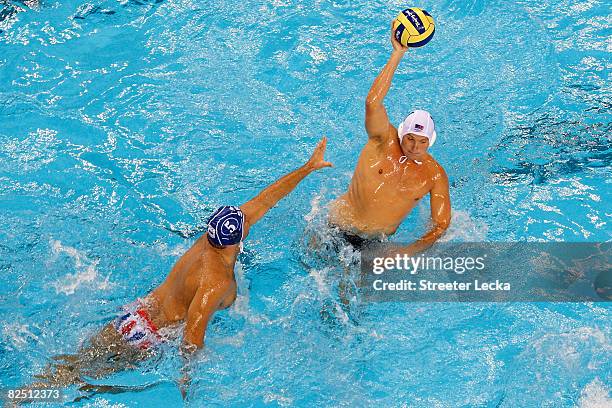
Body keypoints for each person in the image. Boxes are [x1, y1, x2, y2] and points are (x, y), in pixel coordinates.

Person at [28, 137, 332, 398]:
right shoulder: (217, 281)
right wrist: (188, 380)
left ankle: (25, 393)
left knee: (72, 362)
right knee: (87, 384)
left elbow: (266, 199)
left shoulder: (206, 241)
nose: (249, 220)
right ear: (237, 239)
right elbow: (192, 336)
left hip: (134, 314)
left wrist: (308, 167)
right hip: (147, 339)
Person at [327, 22, 451, 255]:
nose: (415, 147)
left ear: (431, 141)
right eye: (410, 139)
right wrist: (398, 54)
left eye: (422, 141)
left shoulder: (435, 175)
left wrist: (409, 251)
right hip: (334, 229)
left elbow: (441, 224)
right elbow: (372, 102)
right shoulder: (383, 140)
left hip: (374, 244)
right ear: (401, 133)